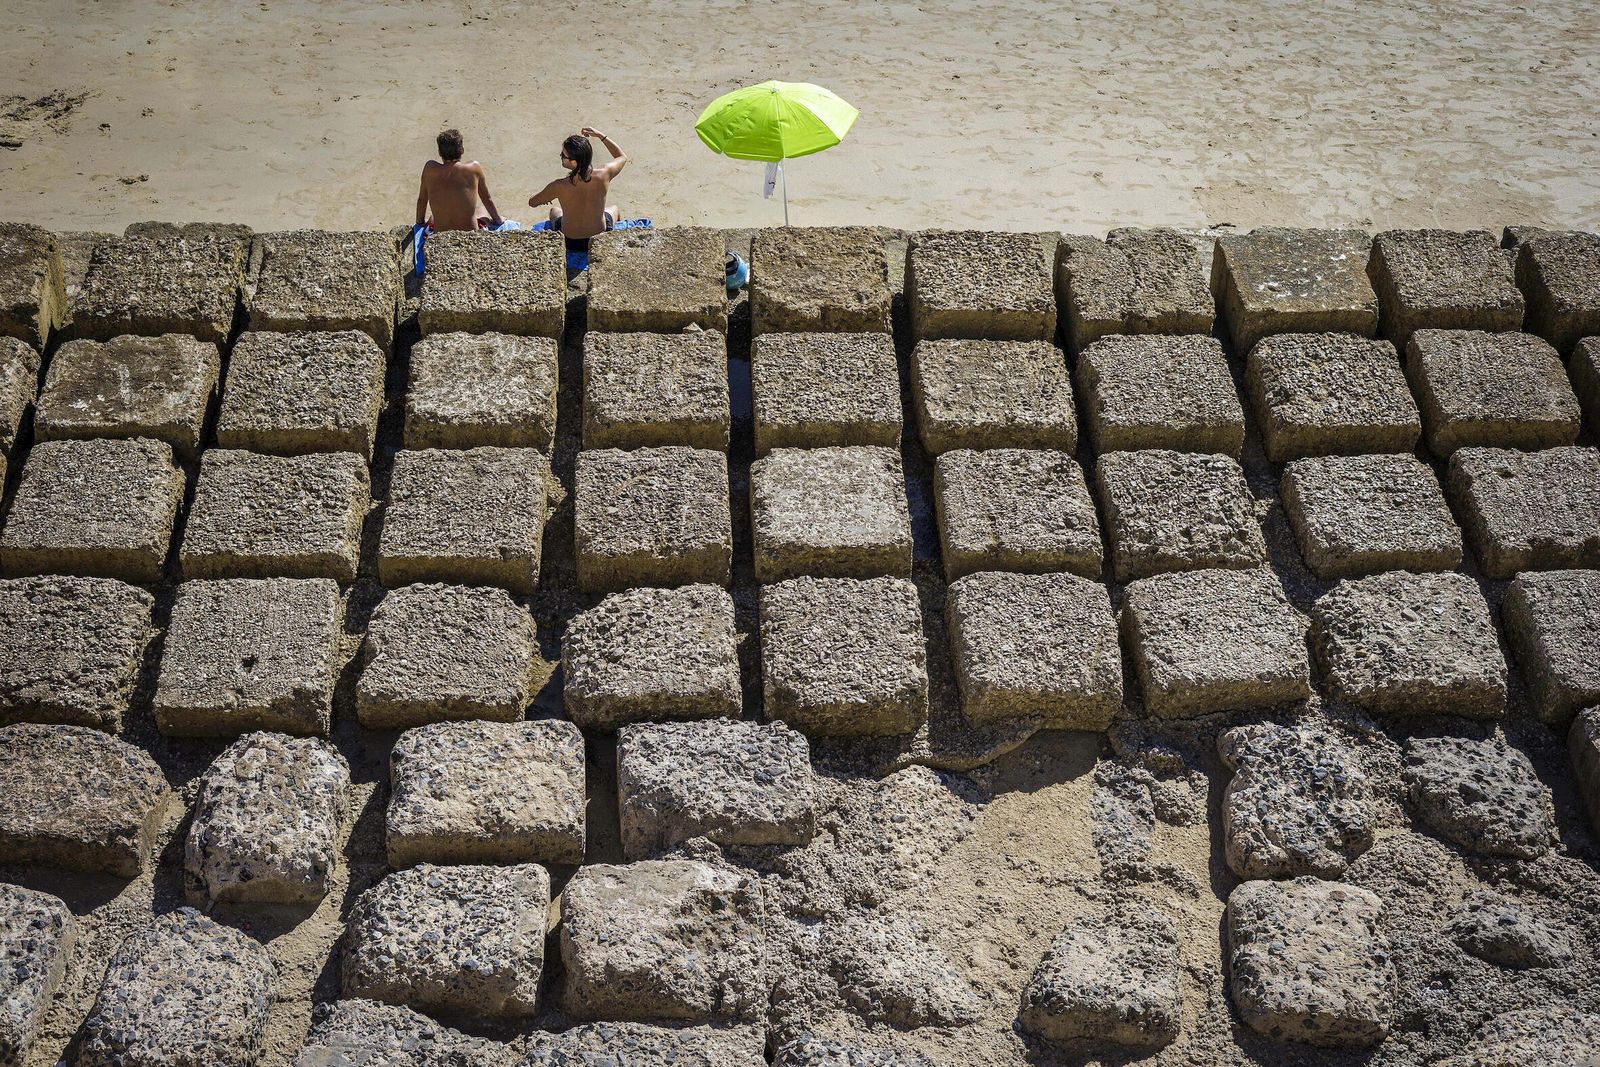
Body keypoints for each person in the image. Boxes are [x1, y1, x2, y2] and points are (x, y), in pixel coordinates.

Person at [528, 127, 627, 254]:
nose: (561, 156)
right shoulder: (604, 174)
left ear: (574, 162)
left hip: (571, 241)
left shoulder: (559, 186)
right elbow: (621, 156)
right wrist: (600, 135)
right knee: (615, 209)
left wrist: (543, 196)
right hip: (599, 236)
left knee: (554, 210)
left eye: (563, 155)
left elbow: (532, 202)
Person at [415, 128, 504, 232]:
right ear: (462, 150)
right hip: (470, 232)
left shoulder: (430, 169)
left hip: (440, 233)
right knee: (481, 210)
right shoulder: (474, 168)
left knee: (433, 217)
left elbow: (422, 200)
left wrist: (420, 223)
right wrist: (498, 221)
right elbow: (487, 200)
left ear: (439, 152)